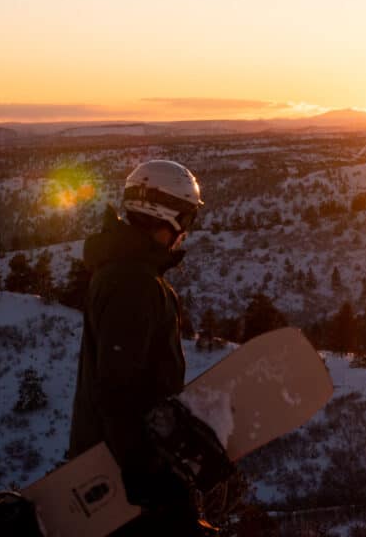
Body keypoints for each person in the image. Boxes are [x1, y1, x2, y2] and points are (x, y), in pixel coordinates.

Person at [69, 159, 215, 535]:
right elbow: (117, 390)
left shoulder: (124, 272)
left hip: (122, 463)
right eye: (186, 219)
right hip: (125, 477)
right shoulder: (133, 283)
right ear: (167, 215)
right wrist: (147, 476)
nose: (186, 231)